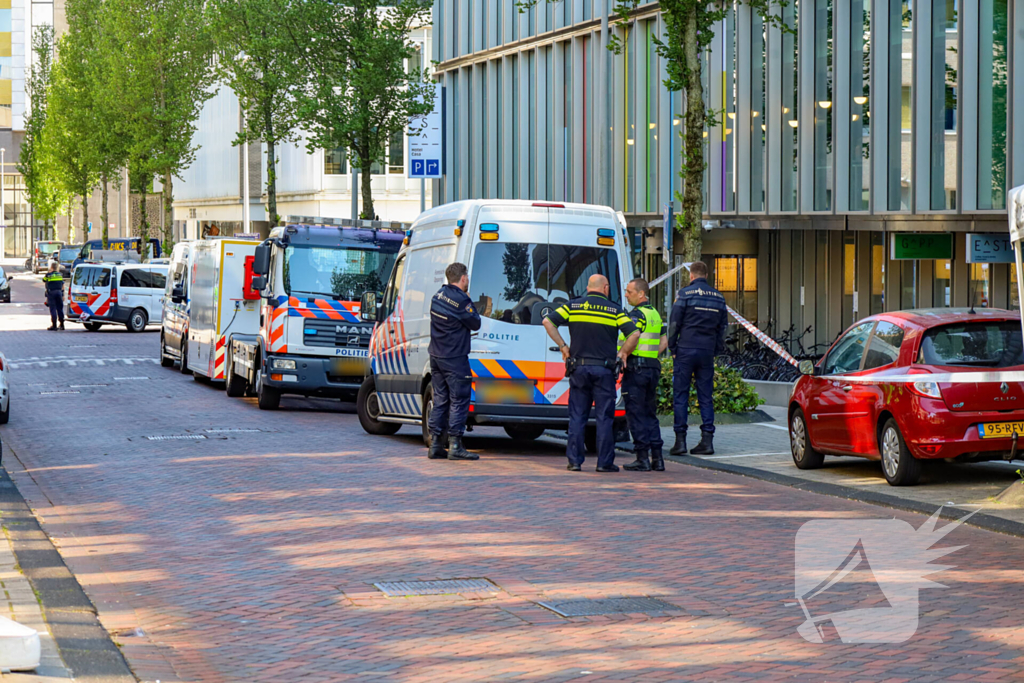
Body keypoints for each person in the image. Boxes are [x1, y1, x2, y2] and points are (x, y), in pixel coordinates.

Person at [543, 274, 640, 472]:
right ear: (605, 288)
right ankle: (604, 463)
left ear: (588, 288)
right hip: (604, 370)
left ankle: (574, 462)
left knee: (578, 415)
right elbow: (634, 333)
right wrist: (623, 353)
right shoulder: (614, 310)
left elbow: (547, 322)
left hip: (579, 368)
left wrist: (563, 346)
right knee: (605, 417)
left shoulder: (573, 306)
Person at [667, 260, 728, 456]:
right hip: (706, 351)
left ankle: (680, 441)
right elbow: (723, 328)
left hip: (685, 349)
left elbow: (674, 323)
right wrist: (716, 349)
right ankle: (707, 441)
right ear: (707, 275)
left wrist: (672, 346)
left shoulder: (684, 294)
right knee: (705, 396)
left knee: (681, 395)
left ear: (691, 276)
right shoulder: (718, 297)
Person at [427, 262, 482, 461]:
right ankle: (455, 445)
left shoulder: (437, 296)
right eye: (466, 276)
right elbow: (475, 322)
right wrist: (469, 301)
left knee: (440, 400)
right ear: (463, 278)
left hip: (436, 356)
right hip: (455, 358)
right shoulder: (461, 300)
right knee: (459, 399)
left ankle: (435, 444)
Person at [621, 278, 668, 472]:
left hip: (636, 369)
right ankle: (657, 458)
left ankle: (642, 458)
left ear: (641, 294)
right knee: (650, 413)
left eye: (629, 292)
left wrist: (623, 354)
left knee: (635, 413)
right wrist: (650, 356)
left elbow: (634, 336)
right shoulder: (655, 313)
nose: (626, 294)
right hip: (651, 367)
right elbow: (664, 341)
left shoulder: (637, 314)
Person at [43, 262, 65, 331]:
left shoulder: (48, 275)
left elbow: (44, 280)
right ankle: (62, 324)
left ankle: (54, 325)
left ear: (51, 267)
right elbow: (62, 285)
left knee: (53, 309)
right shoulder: (60, 275)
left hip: (51, 293)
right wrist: (63, 294)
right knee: (60, 309)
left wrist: (49, 272)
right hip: (59, 293)